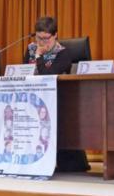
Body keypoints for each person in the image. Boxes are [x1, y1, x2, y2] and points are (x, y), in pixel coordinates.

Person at [24, 16, 88, 172]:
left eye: (46, 38)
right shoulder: (31, 49)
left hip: (57, 99)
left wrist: (39, 56)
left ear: (55, 35)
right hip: (33, 96)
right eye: (38, 38)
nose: (41, 42)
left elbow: (48, 75)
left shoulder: (63, 53)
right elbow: (25, 71)